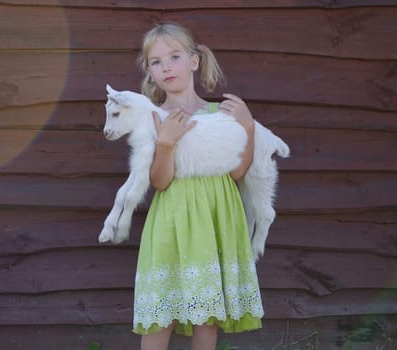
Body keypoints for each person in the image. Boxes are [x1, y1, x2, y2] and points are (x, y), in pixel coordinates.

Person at [132, 22, 264, 350]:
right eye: (156, 62)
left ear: (194, 61)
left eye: (174, 57)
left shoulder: (219, 114)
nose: (166, 67)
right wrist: (166, 144)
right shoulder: (153, 117)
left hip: (215, 217)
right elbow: (159, 181)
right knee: (160, 315)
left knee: (206, 315)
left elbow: (236, 172)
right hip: (173, 219)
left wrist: (247, 127)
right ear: (150, 71)